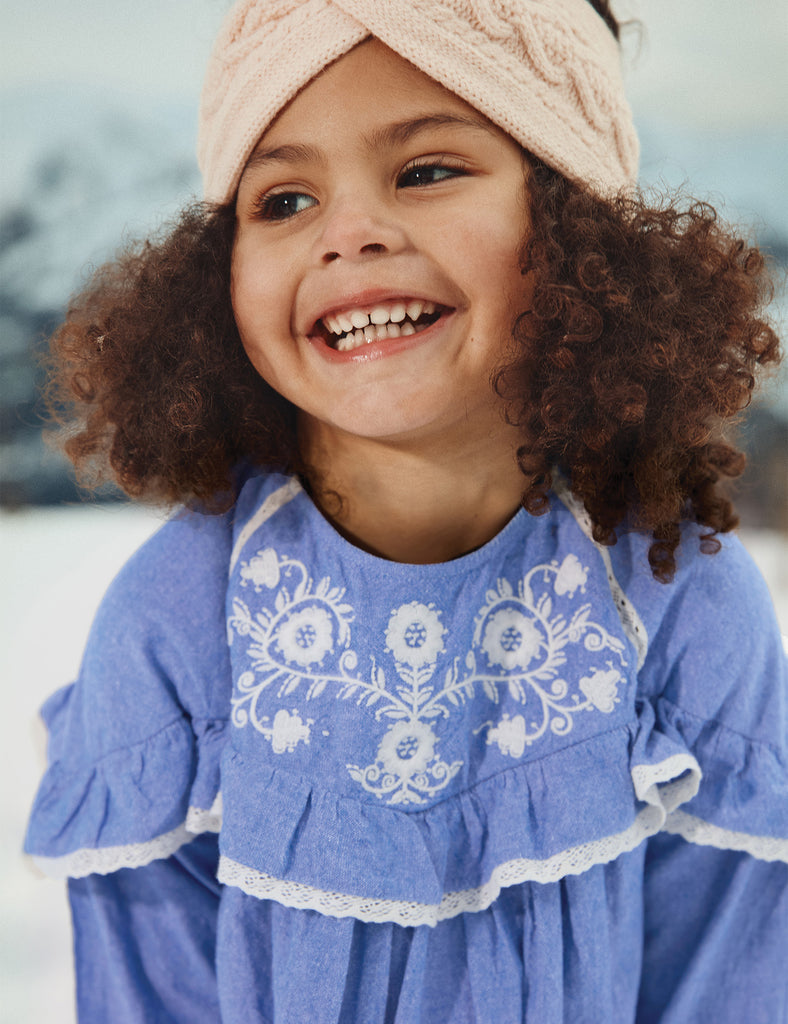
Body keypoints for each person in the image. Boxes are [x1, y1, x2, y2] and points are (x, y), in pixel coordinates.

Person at [25, 1, 787, 1021]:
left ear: (573, 227)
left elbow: (725, 980)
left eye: (425, 171)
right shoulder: (178, 620)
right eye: (283, 199)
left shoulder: (674, 598)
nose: (347, 234)